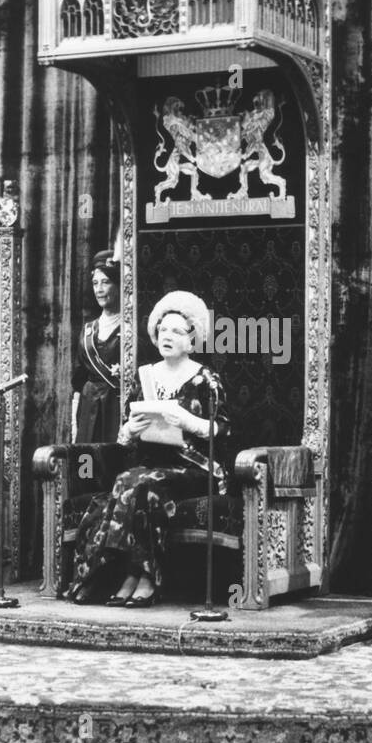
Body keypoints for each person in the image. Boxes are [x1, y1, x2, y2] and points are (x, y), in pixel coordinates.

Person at [66, 291, 229, 609]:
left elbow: (221, 429)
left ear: (192, 339)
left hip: (195, 468)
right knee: (136, 484)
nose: (167, 336)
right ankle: (137, 575)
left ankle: (142, 578)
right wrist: (128, 431)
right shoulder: (146, 376)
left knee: (136, 483)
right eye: (163, 330)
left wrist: (187, 420)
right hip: (150, 466)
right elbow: (126, 429)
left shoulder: (206, 380)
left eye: (177, 331)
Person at [71, 250, 121, 443]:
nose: (99, 289)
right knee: (88, 465)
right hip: (89, 405)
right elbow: (78, 378)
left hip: (116, 406)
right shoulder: (88, 330)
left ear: (118, 284)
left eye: (106, 282)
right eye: (95, 283)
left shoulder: (131, 329)